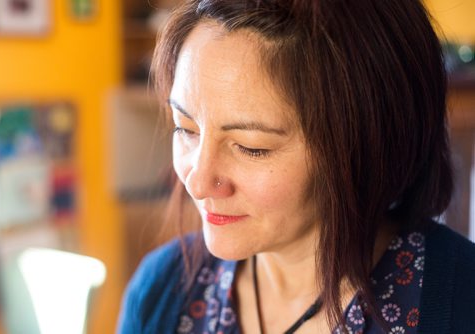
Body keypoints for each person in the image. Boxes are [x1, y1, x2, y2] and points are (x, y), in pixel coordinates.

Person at [117, 0, 475, 333]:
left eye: (251, 148)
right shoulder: (163, 290)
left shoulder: (459, 303)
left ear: (364, 146)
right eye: (186, 128)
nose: (197, 181)